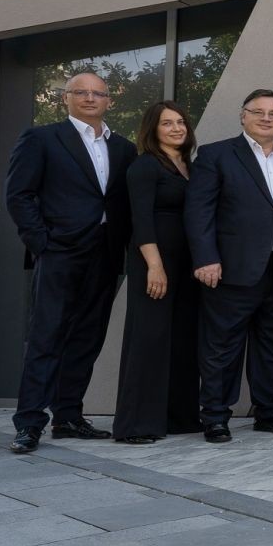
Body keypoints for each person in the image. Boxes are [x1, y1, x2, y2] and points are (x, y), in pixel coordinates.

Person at [4, 70, 133, 453]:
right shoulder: (41, 138)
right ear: (66, 98)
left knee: (87, 339)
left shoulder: (124, 148)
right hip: (59, 251)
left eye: (98, 93)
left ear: (109, 100)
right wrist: (42, 243)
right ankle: (29, 423)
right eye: (81, 92)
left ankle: (68, 417)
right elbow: (19, 194)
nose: (90, 98)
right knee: (46, 337)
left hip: (106, 254)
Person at [186, 89, 273, 443]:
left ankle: (270, 414)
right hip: (230, 270)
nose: (266, 118)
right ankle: (215, 417)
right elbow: (199, 212)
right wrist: (206, 258)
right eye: (258, 111)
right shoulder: (216, 155)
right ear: (243, 115)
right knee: (222, 347)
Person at [111, 101, 200, 443]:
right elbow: (141, 220)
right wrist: (155, 266)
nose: (177, 128)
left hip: (187, 265)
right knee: (149, 340)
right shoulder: (145, 166)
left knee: (182, 340)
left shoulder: (189, 165)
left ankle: (179, 418)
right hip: (154, 264)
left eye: (181, 122)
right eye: (167, 123)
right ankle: (135, 425)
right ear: (153, 129)